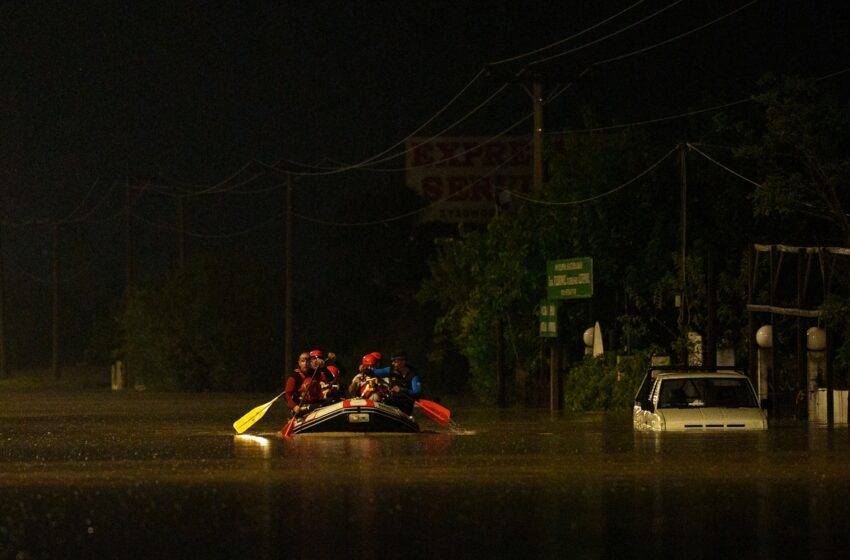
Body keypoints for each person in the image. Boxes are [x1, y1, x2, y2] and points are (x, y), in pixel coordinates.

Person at [372, 350, 421, 415]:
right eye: (392, 361)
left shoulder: (413, 375)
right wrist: (364, 369)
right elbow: (374, 372)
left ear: (403, 362)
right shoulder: (390, 370)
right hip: (392, 403)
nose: (392, 363)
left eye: (395, 362)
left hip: (405, 406)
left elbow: (416, 393)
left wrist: (402, 390)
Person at [284, 350, 331, 416]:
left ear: (311, 363)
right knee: (319, 406)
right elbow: (287, 395)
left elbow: (330, 379)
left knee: (332, 401)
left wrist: (324, 367)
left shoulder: (315, 373)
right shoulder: (294, 377)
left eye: (308, 361)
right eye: (303, 361)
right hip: (302, 406)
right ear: (299, 363)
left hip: (316, 404)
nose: (305, 363)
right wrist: (294, 406)